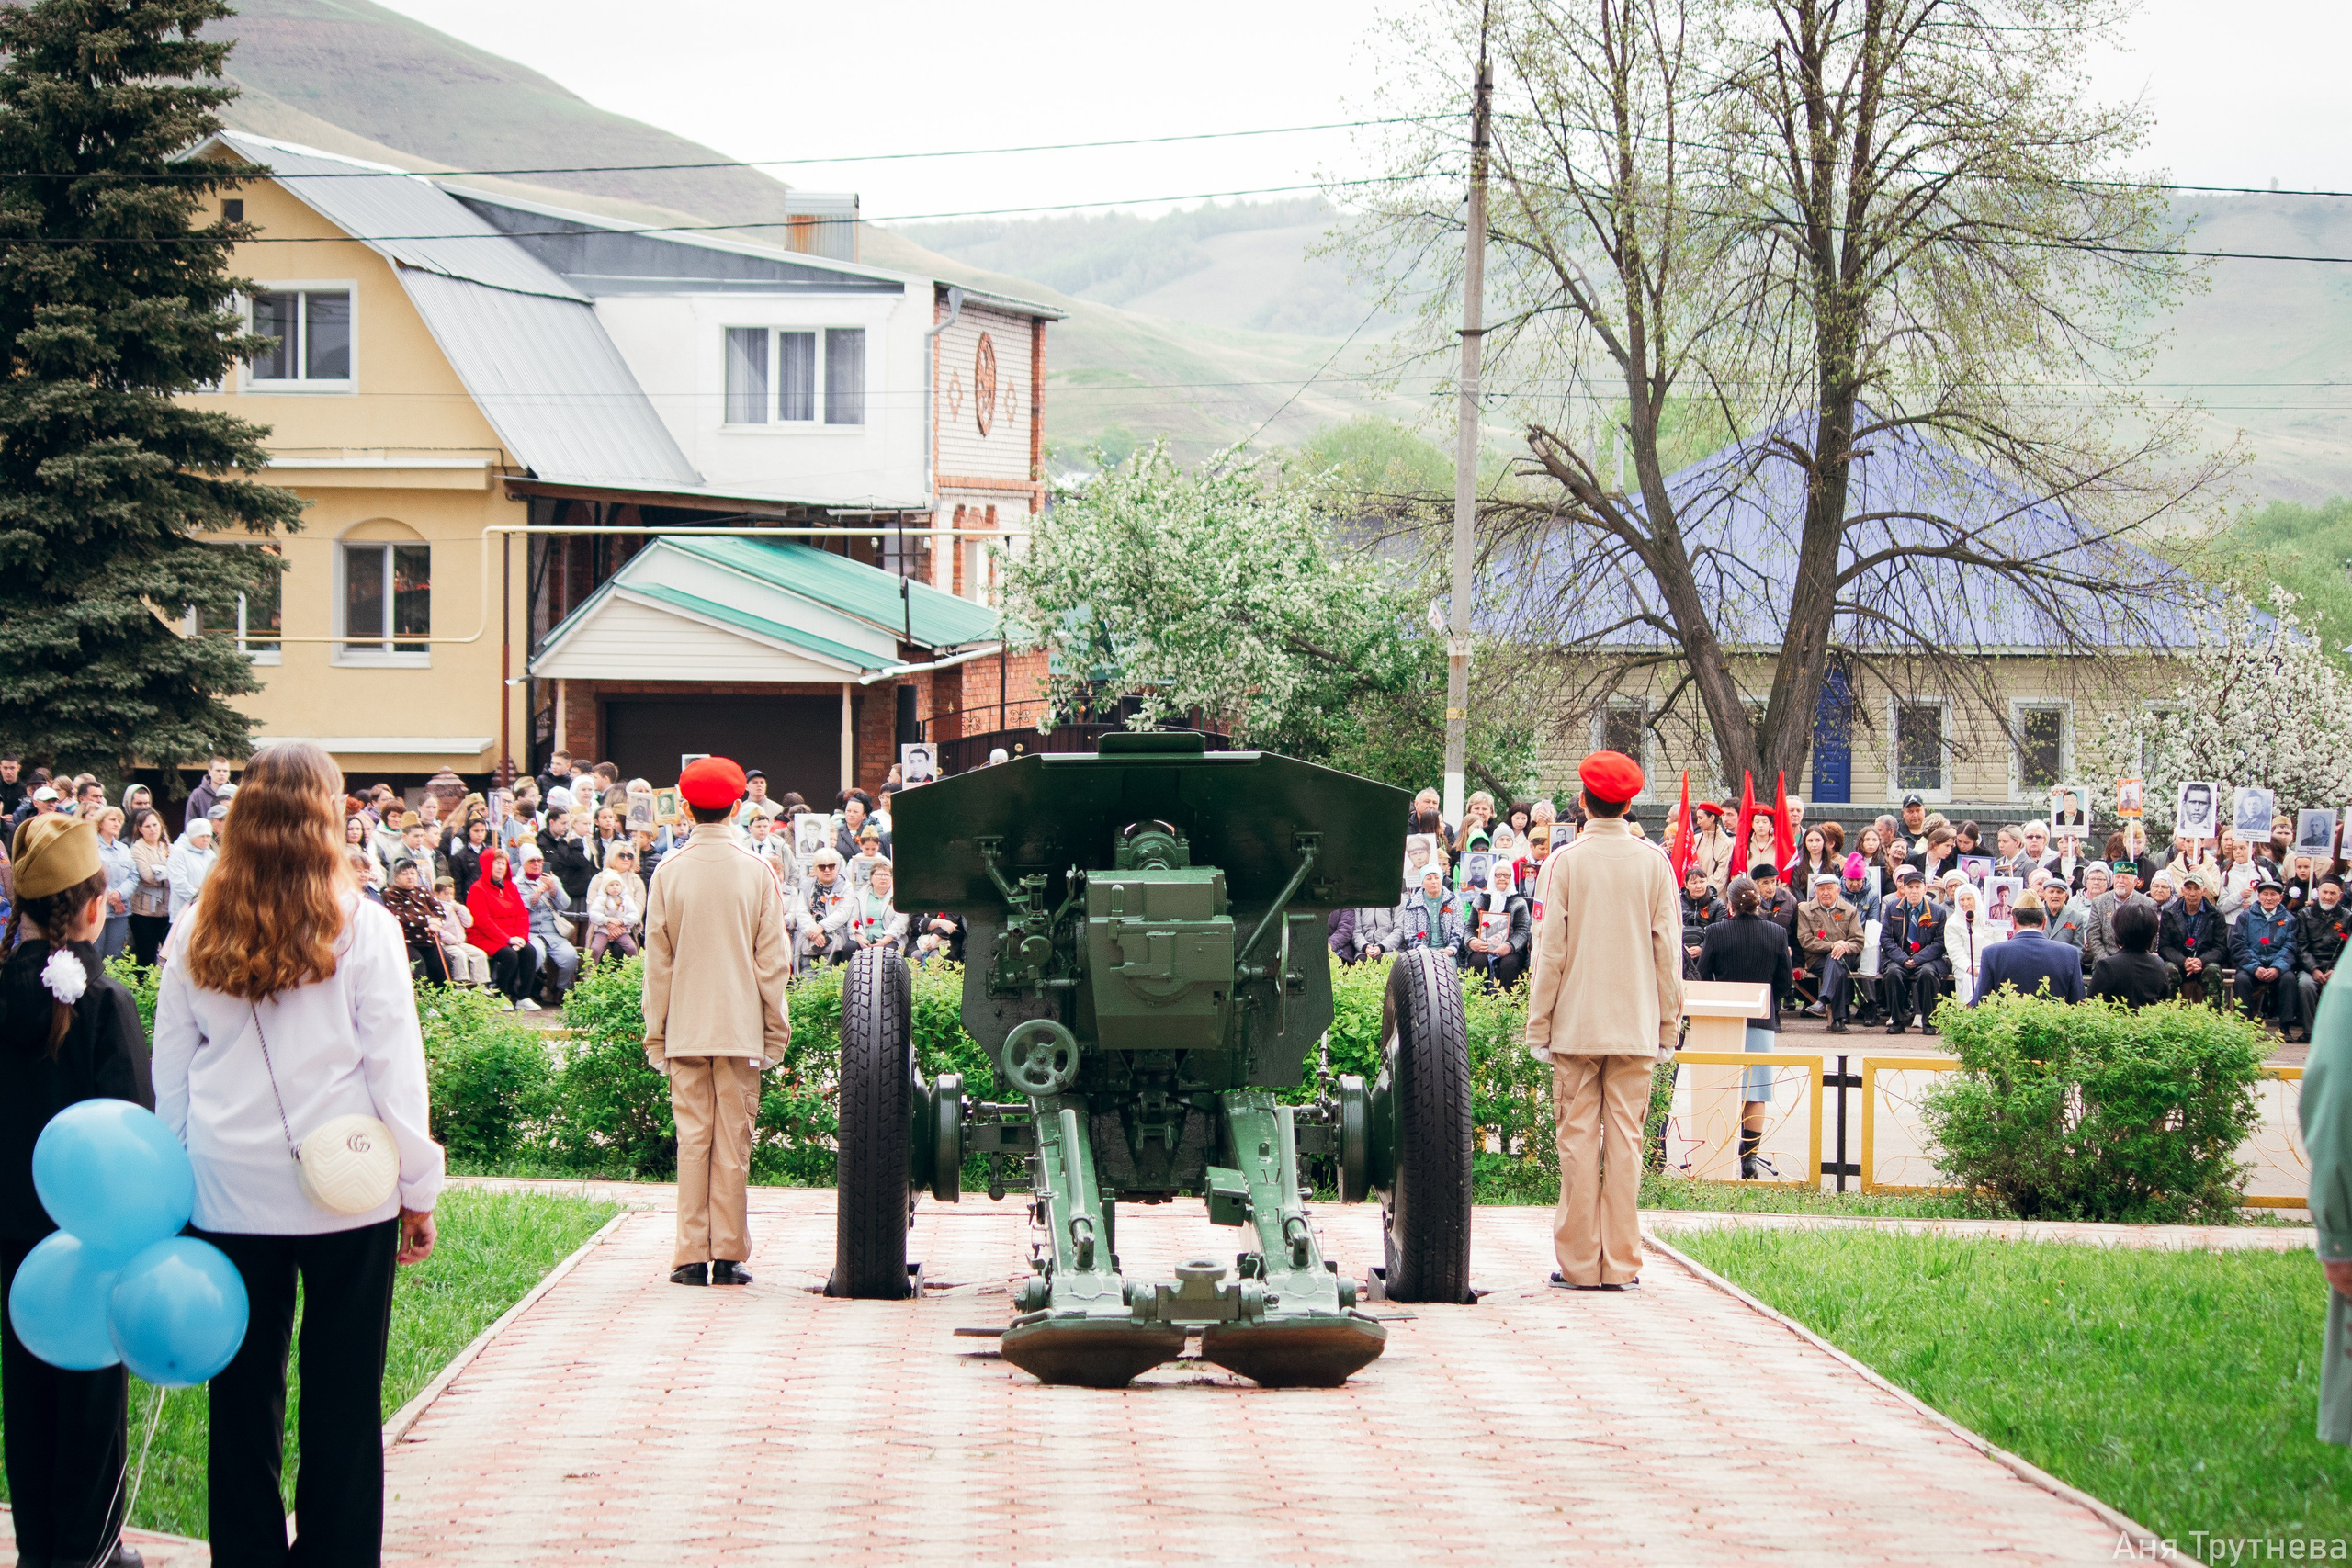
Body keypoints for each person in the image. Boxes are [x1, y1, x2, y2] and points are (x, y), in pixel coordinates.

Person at [150, 740, 442, 1563]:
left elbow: (171, 1075)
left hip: (223, 1187)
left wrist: (173, 1185)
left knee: (240, 1397)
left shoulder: (194, 928)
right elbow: (395, 1067)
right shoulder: (364, 927)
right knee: (343, 1400)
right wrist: (418, 1184)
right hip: (344, 1183)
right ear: (326, 815)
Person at [0, 814, 152, 1568]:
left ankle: (35, 1549)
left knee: (25, 1392)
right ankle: (90, 1550)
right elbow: (136, 1129)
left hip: (11, 1243)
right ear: (94, 905)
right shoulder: (106, 1005)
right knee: (92, 1399)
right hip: (92, 1247)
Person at [1524, 751, 1682, 1289]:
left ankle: (1578, 1265)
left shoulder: (1562, 863)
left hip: (1576, 1026)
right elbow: (1669, 953)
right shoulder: (1655, 862)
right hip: (1636, 1026)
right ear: (1630, 803)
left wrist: (1538, 1025)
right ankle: (1621, 1264)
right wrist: (1667, 1027)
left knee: (1576, 1142)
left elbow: (1549, 953)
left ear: (1585, 802)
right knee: (1627, 1144)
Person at [642, 757, 791, 1289]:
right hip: (740, 1028)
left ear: (684, 807)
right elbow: (772, 962)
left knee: (693, 1140)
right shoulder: (757, 872)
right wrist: (776, 1029)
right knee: (734, 1141)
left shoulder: (667, 872)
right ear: (736, 806)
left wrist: (656, 1032)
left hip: (685, 1026)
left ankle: (688, 1254)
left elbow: (657, 964)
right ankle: (728, 1255)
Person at [1699, 874, 1793, 1178]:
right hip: (1761, 1020)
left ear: (1729, 905)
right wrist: (1766, 1002)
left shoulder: (1715, 932)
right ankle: (1750, 1158)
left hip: (1722, 1021)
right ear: (1759, 901)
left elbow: (1702, 977)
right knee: (1755, 1093)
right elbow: (1785, 982)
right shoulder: (1777, 934)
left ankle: (1717, 1154)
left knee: (1724, 1088)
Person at [1971, 898, 2085, 1006]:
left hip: (2007, 1025)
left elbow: (1979, 1004)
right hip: (2054, 1025)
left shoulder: (1992, 954)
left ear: (2013, 922)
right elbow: (2078, 1003)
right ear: (2045, 922)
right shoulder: (2069, 953)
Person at [466, 850, 539, 1011]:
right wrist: (507, 939)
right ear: (487, 865)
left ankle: (523, 996)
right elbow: (483, 921)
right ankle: (500, 993)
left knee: (529, 951)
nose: (500, 867)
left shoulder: (510, 887)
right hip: (484, 935)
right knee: (509, 956)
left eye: (503, 863)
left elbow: (522, 914)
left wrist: (521, 937)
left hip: (512, 936)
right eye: (496, 863)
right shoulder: (478, 889)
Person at [1877, 867, 1948, 1034]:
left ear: (1925, 889)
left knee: (1927, 974)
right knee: (1892, 972)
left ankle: (1928, 1021)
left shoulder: (1937, 912)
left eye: (1918, 887)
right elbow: (1886, 939)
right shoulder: (1893, 908)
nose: (1914, 891)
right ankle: (1897, 1020)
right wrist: (1902, 958)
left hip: (1926, 959)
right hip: (1899, 956)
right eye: (1910, 887)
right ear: (1904, 888)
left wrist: (1918, 959)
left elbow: (1940, 943)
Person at [2234, 871, 2303, 1036]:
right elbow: (2238, 945)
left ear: (2280, 898)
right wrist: (2255, 967)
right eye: (2265, 894)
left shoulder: (2289, 919)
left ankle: (2285, 1028)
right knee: (2242, 980)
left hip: (2277, 965)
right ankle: (2243, 1027)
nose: (2269, 898)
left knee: (2289, 980)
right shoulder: (2245, 916)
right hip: (2252, 964)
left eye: (2273, 894)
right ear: (2259, 897)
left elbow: (2290, 947)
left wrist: (2277, 968)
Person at [1794, 874, 1863, 1032]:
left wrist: (1845, 946)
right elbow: (1805, 940)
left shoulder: (1850, 910)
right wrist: (1833, 946)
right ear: (1816, 892)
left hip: (1846, 958)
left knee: (1836, 962)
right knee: (1835, 964)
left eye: (1830, 889)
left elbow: (1858, 941)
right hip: (1816, 959)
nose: (1826, 893)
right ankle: (1837, 1021)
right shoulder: (1805, 910)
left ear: (1838, 890)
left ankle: (1823, 1001)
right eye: (1821, 889)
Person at [2161, 872, 2229, 1008]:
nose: (2192, 893)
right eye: (2189, 888)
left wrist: (2201, 961)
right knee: (2168, 971)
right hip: (2179, 961)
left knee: (2213, 971)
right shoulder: (2169, 913)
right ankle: (2168, 1015)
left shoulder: (2216, 915)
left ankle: (2213, 1018)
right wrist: (2183, 961)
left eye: (2196, 888)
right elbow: (2164, 947)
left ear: (2203, 891)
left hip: (2204, 962)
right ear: (2182, 891)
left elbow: (2220, 948)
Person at [381, 860, 453, 984]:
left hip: (428, 938)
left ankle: (441, 999)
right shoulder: (390, 894)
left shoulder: (422, 891)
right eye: (405, 874)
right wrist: (427, 921)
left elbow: (438, 909)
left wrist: (436, 923)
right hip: (407, 940)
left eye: (413, 873)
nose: (410, 877)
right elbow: (400, 916)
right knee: (419, 969)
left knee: (444, 962)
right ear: (396, 877)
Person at [583, 845, 646, 964]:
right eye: (622, 855)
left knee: (622, 950)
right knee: (600, 951)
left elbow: (638, 910)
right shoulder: (598, 879)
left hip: (627, 929)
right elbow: (592, 908)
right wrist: (609, 924)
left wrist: (621, 926)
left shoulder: (636, 880)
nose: (626, 859)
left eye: (630, 856)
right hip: (601, 928)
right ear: (612, 856)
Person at [2302, 876, 2349, 1032]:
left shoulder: (2348, 917)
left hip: (2337, 968)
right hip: (2310, 966)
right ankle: (2310, 1031)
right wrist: (2314, 969)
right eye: (2325, 892)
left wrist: (2336, 970)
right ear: (2318, 892)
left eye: (2332, 893)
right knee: (2305, 985)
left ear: (2340, 896)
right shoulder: (2305, 914)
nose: (2328, 897)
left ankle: (2335, 1031)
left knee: (2342, 987)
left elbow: (2348, 949)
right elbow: (2301, 947)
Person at [1396, 866, 1466, 958]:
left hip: (1447, 951)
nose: (1434, 881)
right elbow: (1409, 932)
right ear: (1422, 883)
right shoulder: (1413, 903)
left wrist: (1451, 949)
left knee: (1448, 969)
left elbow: (1458, 928)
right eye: (1429, 878)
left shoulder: (1454, 900)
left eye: (1437, 878)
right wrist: (1421, 948)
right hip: (1421, 951)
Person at [1943, 882, 1994, 1006]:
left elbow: (2000, 941)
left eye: (1969, 899)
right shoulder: (1953, 922)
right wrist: (1969, 967)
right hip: (1965, 966)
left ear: (1976, 898)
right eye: (1962, 900)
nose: (1965, 903)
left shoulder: (1990, 916)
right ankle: (1969, 1015)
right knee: (1967, 980)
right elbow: (1955, 951)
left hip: (1990, 963)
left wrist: (1991, 965)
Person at [1678, 862, 1727, 980]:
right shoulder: (1677, 903)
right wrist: (1683, 949)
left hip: (1708, 955)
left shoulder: (1718, 904)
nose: (1698, 886)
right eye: (1694, 883)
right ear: (1686, 885)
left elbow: (1720, 932)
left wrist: (1703, 948)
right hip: (1681, 953)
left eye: (1702, 881)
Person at [165, 811, 215, 925]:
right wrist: (197, 896)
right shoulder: (178, 852)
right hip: (183, 910)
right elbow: (178, 882)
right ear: (192, 836)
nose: (205, 840)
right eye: (202, 836)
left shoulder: (210, 854)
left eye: (208, 836)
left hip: (205, 909)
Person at [183, 754, 232, 824]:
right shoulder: (197, 794)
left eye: (225, 771)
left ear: (229, 773)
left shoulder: (234, 794)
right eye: (218, 770)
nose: (222, 774)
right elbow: (189, 823)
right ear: (210, 772)